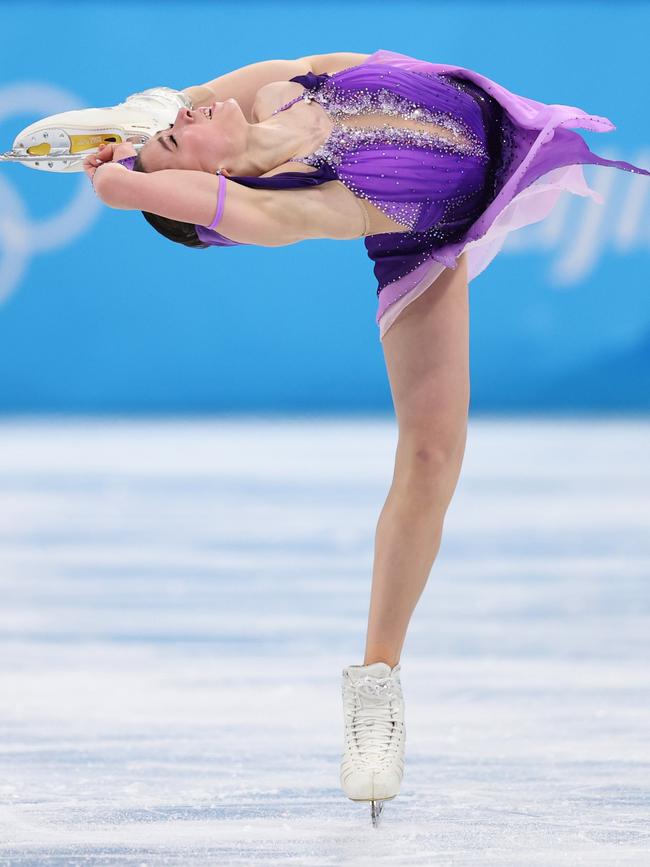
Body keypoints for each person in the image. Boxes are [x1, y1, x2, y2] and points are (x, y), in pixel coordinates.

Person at [12, 48, 650, 826]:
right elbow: (137, 192)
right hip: (429, 230)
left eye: (174, 125)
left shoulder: (278, 93)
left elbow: (226, 89)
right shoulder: (300, 205)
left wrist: (153, 117)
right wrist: (118, 176)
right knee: (429, 451)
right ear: (211, 187)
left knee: (430, 450)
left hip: (488, 117)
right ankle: (376, 685)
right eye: (178, 140)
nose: (182, 122)